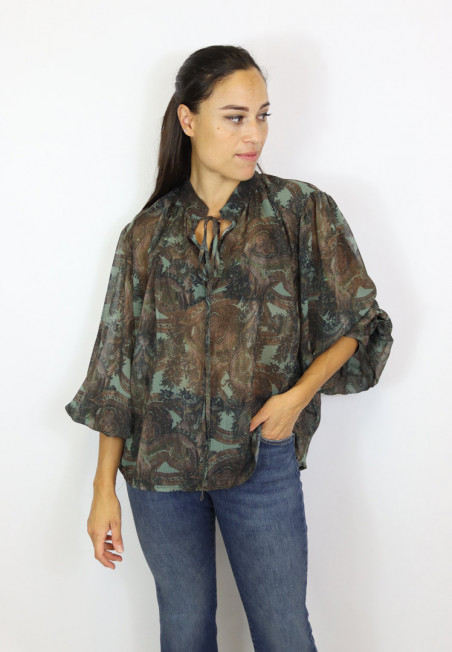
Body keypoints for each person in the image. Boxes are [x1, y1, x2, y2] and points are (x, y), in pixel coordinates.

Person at [65, 45, 393, 651]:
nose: (254, 135)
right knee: (183, 631)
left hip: (260, 457)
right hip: (157, 471)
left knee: (283, 631)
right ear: (188, 119)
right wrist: (102, 489)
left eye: (262, 116)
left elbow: (357, 321)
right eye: (236, 117)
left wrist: (296, 398)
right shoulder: (145, 234)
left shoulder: (299, 210)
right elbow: (117, 369)